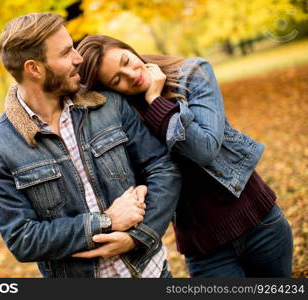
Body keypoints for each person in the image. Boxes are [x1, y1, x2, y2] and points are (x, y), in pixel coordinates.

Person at [0, 13, 181, 278]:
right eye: (65, 53)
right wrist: (105, 222)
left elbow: (162, 168)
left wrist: (137, 237)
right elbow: (21, 238)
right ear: (34, 69)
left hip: (151, 273)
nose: (79, 58)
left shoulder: (108, 105)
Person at [76, 35, 293, 277]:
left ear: (129, 49)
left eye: (126, 61)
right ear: (109, 89)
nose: (131, 74)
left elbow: (205, 149)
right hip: (205, 250)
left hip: (260, 224)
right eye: (118, 79)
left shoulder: (192, 74)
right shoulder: (122, 119)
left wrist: (155, 101)